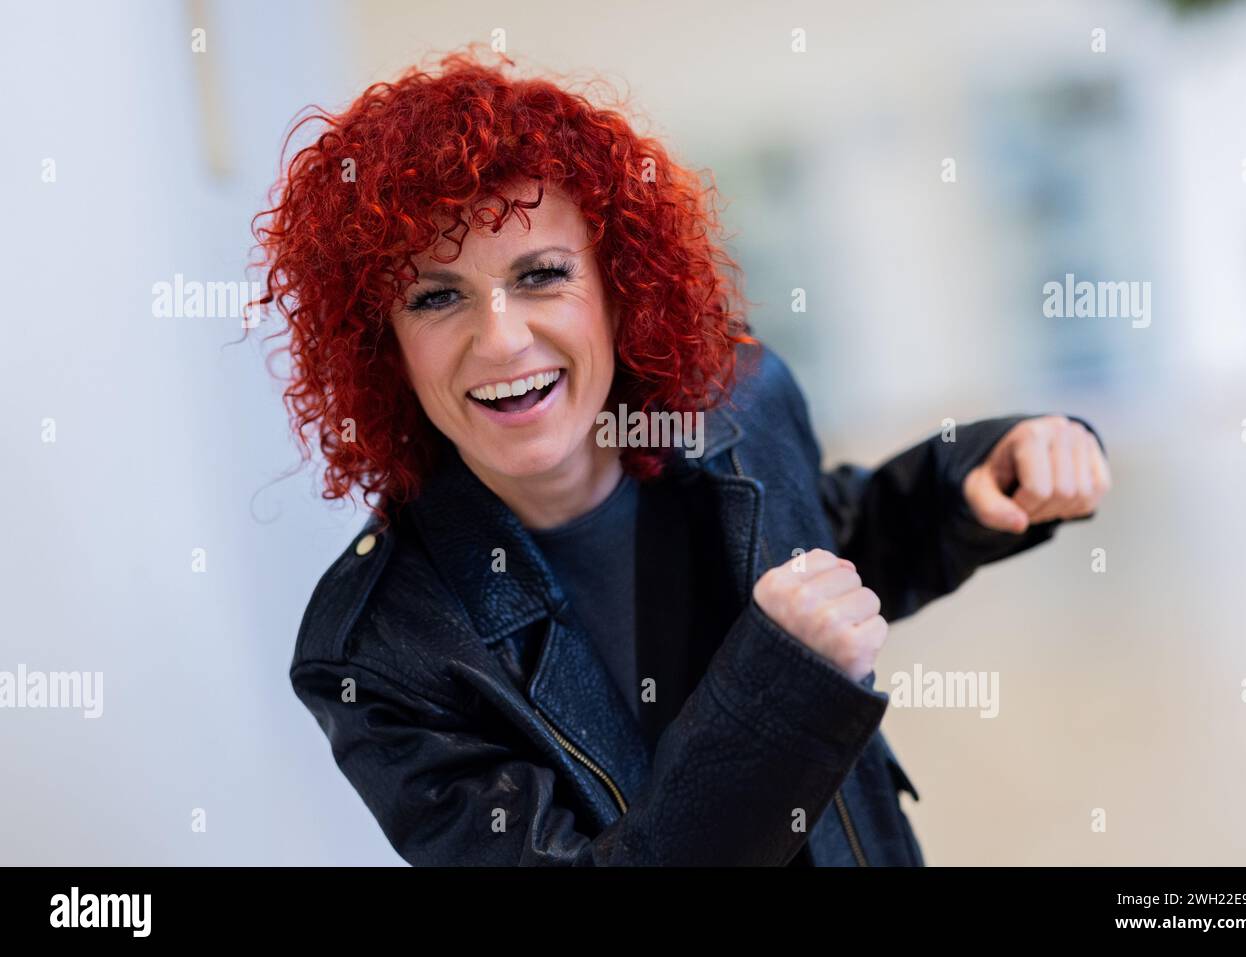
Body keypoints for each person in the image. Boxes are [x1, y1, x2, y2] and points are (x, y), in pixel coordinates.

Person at [256, 49, 1111, 866]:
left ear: (617, 289)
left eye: (543, 274)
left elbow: (827, 540)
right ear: (384, 345)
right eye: (437, 295)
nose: (503, 338)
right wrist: (782, 681)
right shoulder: (382, 653)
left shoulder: (739, 404)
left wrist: (981, 471)